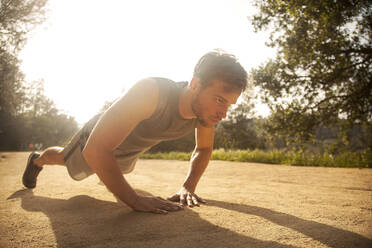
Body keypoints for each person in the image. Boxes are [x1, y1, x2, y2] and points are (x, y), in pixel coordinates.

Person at [22, 49, 248, 214]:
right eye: (219, 99)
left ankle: (106, 171)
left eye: (228, 104)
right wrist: (134, 201)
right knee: (64, 159)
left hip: (129, 151)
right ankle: (37, 160)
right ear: (195, 84)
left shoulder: (205, 114)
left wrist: (188, 186)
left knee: (115, 172)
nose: (223, 113)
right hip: (98, 139)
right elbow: (96, 149)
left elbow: (204, 148)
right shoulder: (152, 92)